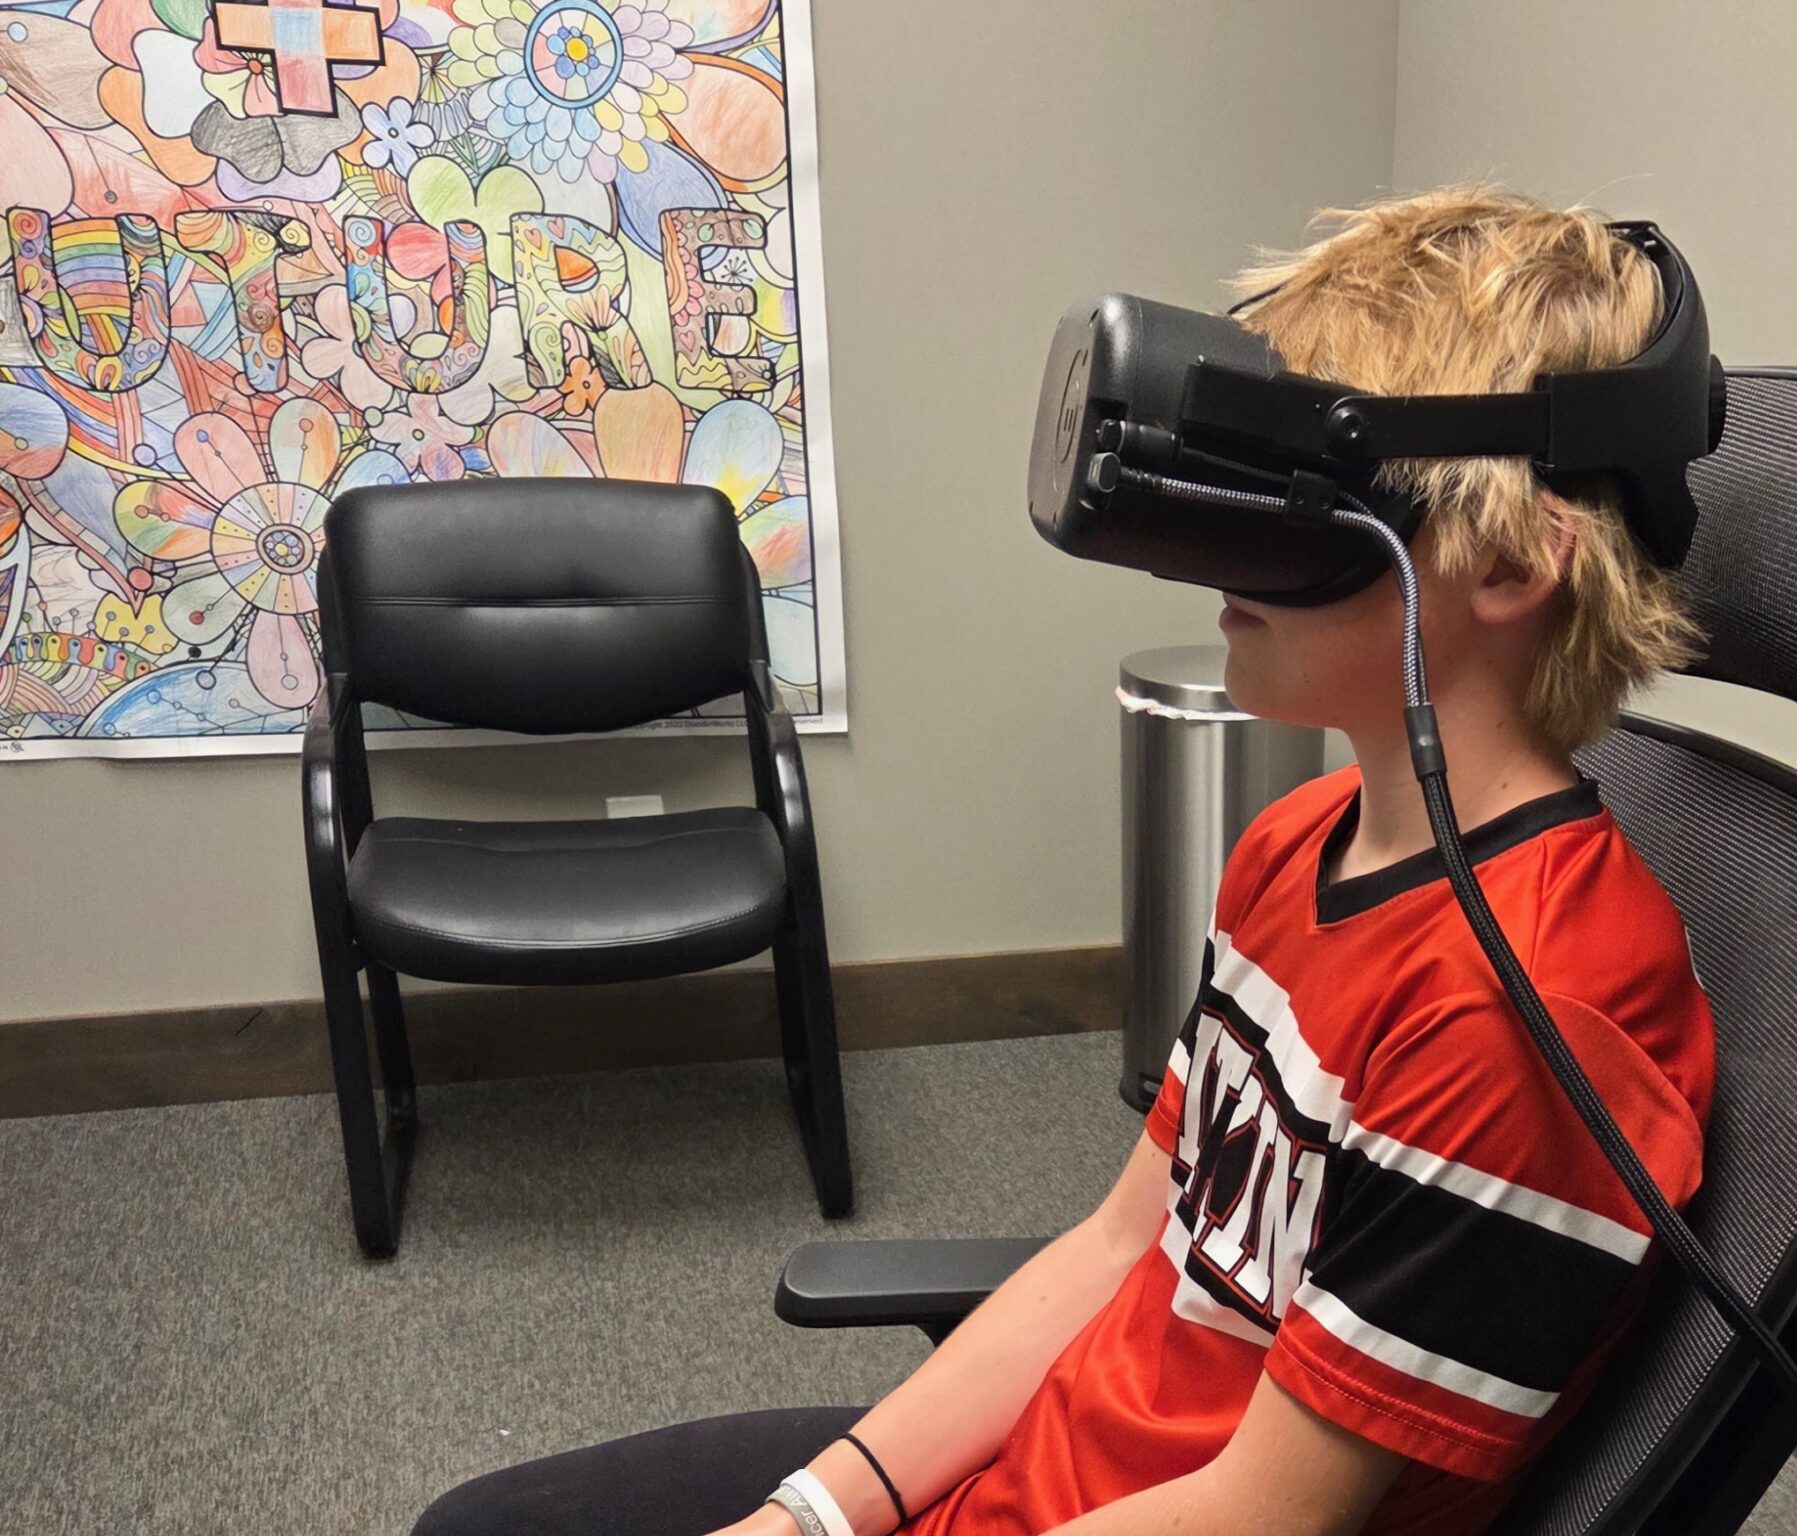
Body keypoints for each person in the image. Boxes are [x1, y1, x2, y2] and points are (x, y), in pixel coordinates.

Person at [414, 185, 1718, 1536]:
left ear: (1508, 561)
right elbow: (1123, 1245)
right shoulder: (1293, 847)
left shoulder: (1521, 1016)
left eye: (1296, 502)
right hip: (1041, 1473)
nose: (1214, 551)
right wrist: (810, 1519)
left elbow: (1268, 1516)